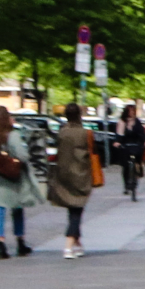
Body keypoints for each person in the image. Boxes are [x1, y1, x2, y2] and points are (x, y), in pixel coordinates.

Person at [0, 107, 43, 258]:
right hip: (12, 177)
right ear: (8, 119)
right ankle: (20, 242)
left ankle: (0, 244)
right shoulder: (12, 135)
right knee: (17, 208)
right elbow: (22, 155)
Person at [47, 102, 98, 259]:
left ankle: (78, 244)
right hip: (81, 174)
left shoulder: (62, 133)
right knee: (77, 209)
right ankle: (68, 246)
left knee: (72, 209)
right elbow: (93, 152)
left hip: (64, 174)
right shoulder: (85, 133)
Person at [114, 103, 145, 198]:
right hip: (126, 145)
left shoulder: (137, 122)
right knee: (126, 166)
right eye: (130, 111)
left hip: (136, 144)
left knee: (138, 159)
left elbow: (142, 134)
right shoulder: (122, 122)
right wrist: (117, 142)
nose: (132, 113)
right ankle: (127, 184)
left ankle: (137, 172)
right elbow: (119, 135)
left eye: (133, 111)